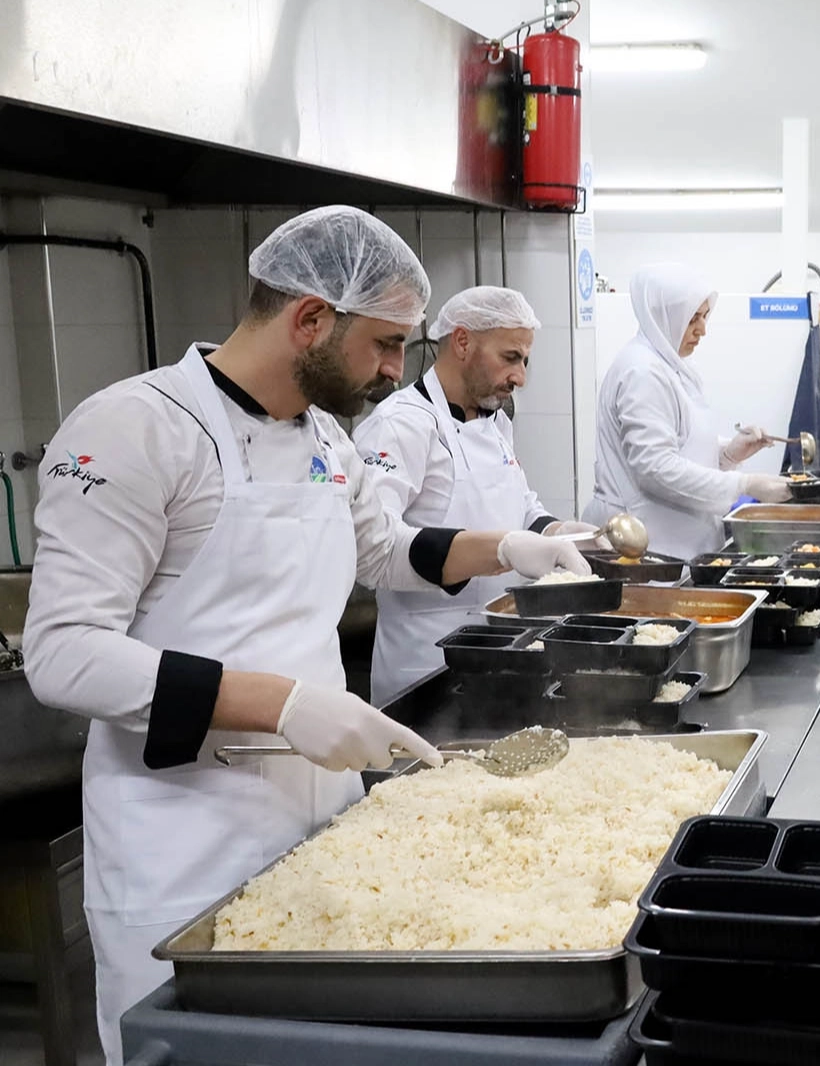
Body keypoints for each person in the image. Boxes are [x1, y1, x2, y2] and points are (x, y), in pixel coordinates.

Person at [21, 206, 590, 1065]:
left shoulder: (326, 439)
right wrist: (282, 704)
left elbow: (385, 551)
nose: (397, 370)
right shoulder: (137, 428)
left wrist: (512, 547)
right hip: (183, 831)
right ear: (312, 318)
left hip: (320, 819)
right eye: (386, 344)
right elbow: (64, 653)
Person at [354, 285, 600, 706]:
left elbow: (522, 506)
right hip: (427, 666)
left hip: (506, 652)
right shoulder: (400, 425)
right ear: (463, 342)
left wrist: (559, 533)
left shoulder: (495, 422)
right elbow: (371, 551)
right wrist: (502, 549)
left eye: (524, 360)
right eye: (510, 357)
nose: (520, 377)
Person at [583, 263, 792, 560]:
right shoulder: (641, 372)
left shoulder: (672, 366)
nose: (703, 329)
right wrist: (744, 485)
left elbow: (680, 445)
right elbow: (656, 468)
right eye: (693, 318)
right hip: (647, 548)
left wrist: (727, 454)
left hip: (678, 546)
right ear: (664, 315)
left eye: (705, 316)